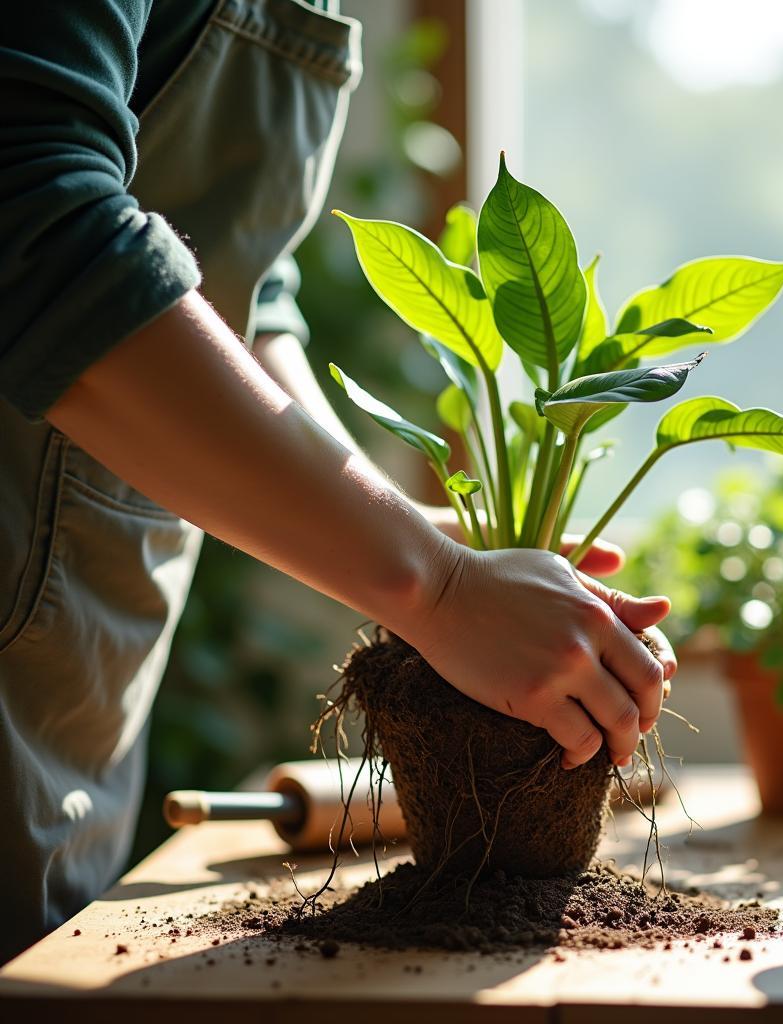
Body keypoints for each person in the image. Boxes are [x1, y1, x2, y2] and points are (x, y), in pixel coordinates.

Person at [0, 0, 676, 962]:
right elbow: (36, 217)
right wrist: (436, 587)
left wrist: (419, 538)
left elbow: (238, 289)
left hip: (79, 664)